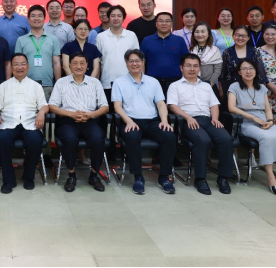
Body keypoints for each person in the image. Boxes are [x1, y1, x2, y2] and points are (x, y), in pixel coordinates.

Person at [112, 49, 176, 195]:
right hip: (130, 121)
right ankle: (138, 177)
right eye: (131, 61)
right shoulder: (119, 82)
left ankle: (164, 177)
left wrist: (164, 121)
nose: (134, 64)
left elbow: (161, 104)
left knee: (169, 136)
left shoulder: (153, 82)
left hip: (152, 121)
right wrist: (128, 121)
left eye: (137, 61)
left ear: (143, 62)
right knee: (132, 137)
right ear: (126, 63)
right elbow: (117, 106)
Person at [167, 54, 233, 195]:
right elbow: (172, 106)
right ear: (181, 68)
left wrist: (215, 118)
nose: (192, 69)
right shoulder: (175, 86)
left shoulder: (206, 86)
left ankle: (223, 178)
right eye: (188, 66)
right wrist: (188, 117)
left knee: (226, 139)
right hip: (188, 121)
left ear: (199, 68)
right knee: (203, 140)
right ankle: (200, 179)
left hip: (208, 120)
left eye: (195, 66)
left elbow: (214, 105)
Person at [228, 59, 276, 196]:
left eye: (251, 68)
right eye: (244, 69)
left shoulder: (261, 87)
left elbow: (267, 109)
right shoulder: (234, 87)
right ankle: (270, 177)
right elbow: (231, 108)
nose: (248, 71)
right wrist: (252, 117)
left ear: (256, 71)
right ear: (239, 72)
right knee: (266, 138)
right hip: (245, 122)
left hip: (264, 121)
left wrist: (270, 121)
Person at [49, 52, 110, 193]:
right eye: (75, 63)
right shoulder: (61, 82)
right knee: (70, 139)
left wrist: (89, 115)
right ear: (69, 65)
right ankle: (71, 175)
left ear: (87, 65)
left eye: (82, 63)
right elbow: (52, 106)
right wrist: (72, 114)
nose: (78, 66)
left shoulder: (95, 83)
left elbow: (105, 107)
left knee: (98, 139)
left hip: (90, 120)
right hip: (67, 121)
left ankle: (94, 175)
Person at [0, 54, 49, 194]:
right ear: (11, 67)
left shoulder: (36, 86)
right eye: (16, 64)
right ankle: (8, 180)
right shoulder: (4, 86)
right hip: (8, 123)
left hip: (30, 123)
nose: (19, 67)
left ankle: (28, 177)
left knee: (35, 140)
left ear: (28, 67)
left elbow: (44, 105)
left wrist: (41, 112)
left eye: (23, 64)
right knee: (2, 139)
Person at [15, 5, 61, 101]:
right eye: (33, 16)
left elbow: (56, 63)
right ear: (28, 19)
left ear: (44, 18)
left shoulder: (53, 39)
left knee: (47, 110)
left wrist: (58, 85)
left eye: (40, 16)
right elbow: (17, 64)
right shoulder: (21, 40)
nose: (36, 18)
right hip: (26, 84)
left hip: (48, 85)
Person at [96, 5, 140, 104]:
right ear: (108, 18)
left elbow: (138, 61)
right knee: (109, 112)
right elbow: (98, 62)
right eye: (113, 16)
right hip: (107, 83)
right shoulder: (101, 37)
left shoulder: (131, 35)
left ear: (124, 18)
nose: (116, 18)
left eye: (119, 16)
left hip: (129, 82)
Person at [140, 12, 190, 96]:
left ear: (171, 23)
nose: (164, 23)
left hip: (175, 82)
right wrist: (142, 80)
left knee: (173, 104)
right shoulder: (147, 40)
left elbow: (185, 61)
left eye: (167, 21)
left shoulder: (179, 40)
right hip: (152, 82)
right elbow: (142, 62)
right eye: (161, 21)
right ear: (156, 23)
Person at [221, 26, 267, 98]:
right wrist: (222, 90)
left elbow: (260, 73)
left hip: (252, 89)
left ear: (248, 37)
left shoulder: (254, 52)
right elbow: (223, 74)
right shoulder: (227, 52)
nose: (240, 38)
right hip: (231, 90)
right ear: (233, 36)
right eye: (238, 35)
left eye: (243, 36)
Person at [189, 22, 223, 88]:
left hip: (210, 85)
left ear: (208, 34)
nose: (200, 34)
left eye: (203, 31)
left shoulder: (215, 50)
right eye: (197, 32)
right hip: (192, 85)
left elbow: (218, 69)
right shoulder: (190, 50)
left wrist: (210, 83)